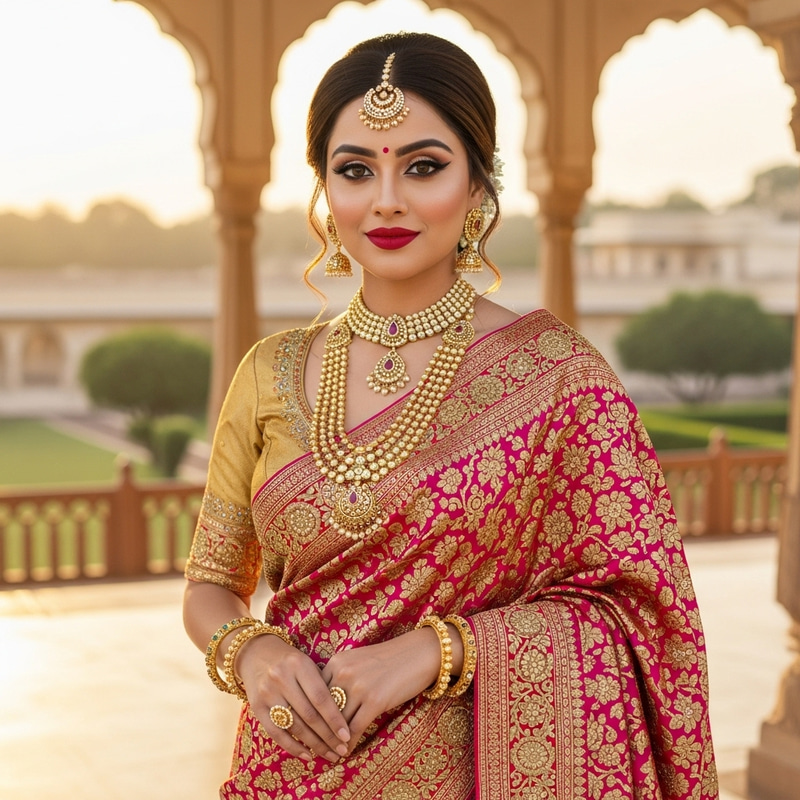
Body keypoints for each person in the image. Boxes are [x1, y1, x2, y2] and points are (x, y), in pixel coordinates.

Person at [183, 32, 718, 799]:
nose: (387, 198)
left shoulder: (561, 381)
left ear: (477, 186)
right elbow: (210, 586)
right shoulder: (270, 372)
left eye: (423, 166)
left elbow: (641, 617)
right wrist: (253, 654)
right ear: (324, 194)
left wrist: (438, 651)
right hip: (287, 771)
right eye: (356, 170)